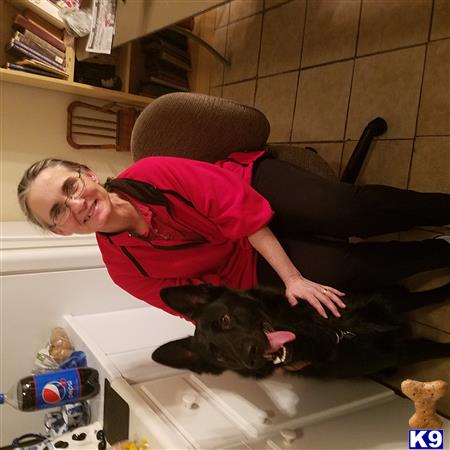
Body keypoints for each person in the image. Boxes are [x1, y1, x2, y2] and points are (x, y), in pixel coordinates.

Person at [17, 150, 450, 320]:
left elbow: (238, 209)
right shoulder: (124, 270)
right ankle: (438, 252)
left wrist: (293, 278)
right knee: (344, 270)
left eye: (71, 186)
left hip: (250, 191)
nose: (76, 204)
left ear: (87, 173)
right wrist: (256, 333)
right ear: (60, 231)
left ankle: (440, 209)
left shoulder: (151, 173)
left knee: (345, 210)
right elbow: (196, 306)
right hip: (242, 264)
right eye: (59, 211)